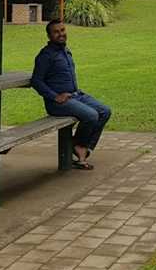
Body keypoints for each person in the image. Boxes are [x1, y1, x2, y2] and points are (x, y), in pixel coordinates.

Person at [31, 19, 112, 169]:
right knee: (91, 115)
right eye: (56, 32)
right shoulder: (45, 55)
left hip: (75, 95)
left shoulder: (66, 51)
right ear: (49, 36)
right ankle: (78, 147)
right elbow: (36, 81)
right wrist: (55, 96)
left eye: (62, 30)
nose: (61, 34)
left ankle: (80, 145)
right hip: (57, 103)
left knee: (105, 111)